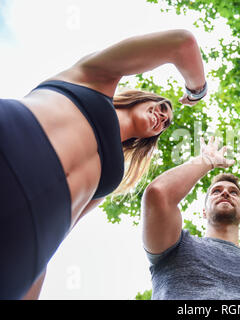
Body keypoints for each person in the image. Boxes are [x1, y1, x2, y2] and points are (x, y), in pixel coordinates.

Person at [0, 29, 208, 300]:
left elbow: (61, 234)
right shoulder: (93, 80)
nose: (161, 117)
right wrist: (196, 91)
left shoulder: (112, 175)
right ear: (141, 97)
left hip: (24, 245)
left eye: (165, 123)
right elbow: (182, 43)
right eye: (160, 107)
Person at [141, 136, 240, 300]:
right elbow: (158, 194)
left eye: (234, 192)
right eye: (216, 191)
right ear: (204, 212)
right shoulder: (175, 246)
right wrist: (207, 160)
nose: (225, 193)